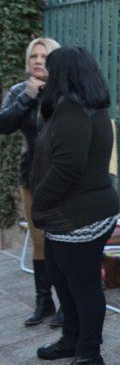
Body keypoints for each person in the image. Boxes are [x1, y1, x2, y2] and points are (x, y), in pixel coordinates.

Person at [30, 46, 119, 365]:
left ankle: (89, 356)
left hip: (79, 216)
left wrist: (39, 202)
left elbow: (67, 168)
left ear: (64, 73)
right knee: (62, 278)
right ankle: (72, 339)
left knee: (83, 288)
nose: (46, 75)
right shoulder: (84, 106)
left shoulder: (75, 110)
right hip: (72, 213)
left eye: (51, 70)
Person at [0, 37, 64, 328]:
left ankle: (67, 304)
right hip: (31, 178)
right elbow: (4, 125)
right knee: (39, 240)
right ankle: (44, 301)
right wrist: (27, 96)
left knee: (60, 241)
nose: (38, 61)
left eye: (44, 56)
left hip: (60, 178)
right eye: (33, 56)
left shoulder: (65, 91)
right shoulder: (19, 91)